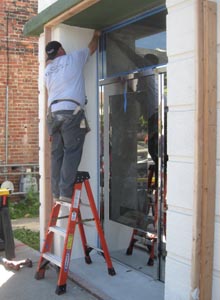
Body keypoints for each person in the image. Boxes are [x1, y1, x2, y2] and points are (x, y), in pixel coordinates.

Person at [44, 30, 101, 202]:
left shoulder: (47, 70)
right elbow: (92, 48)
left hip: (53, 115)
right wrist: (97, 35)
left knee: (57, 154)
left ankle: (56, 192)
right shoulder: (73, 58)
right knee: (72, 151)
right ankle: (66, 193)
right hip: (70, 112)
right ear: (61, 50)